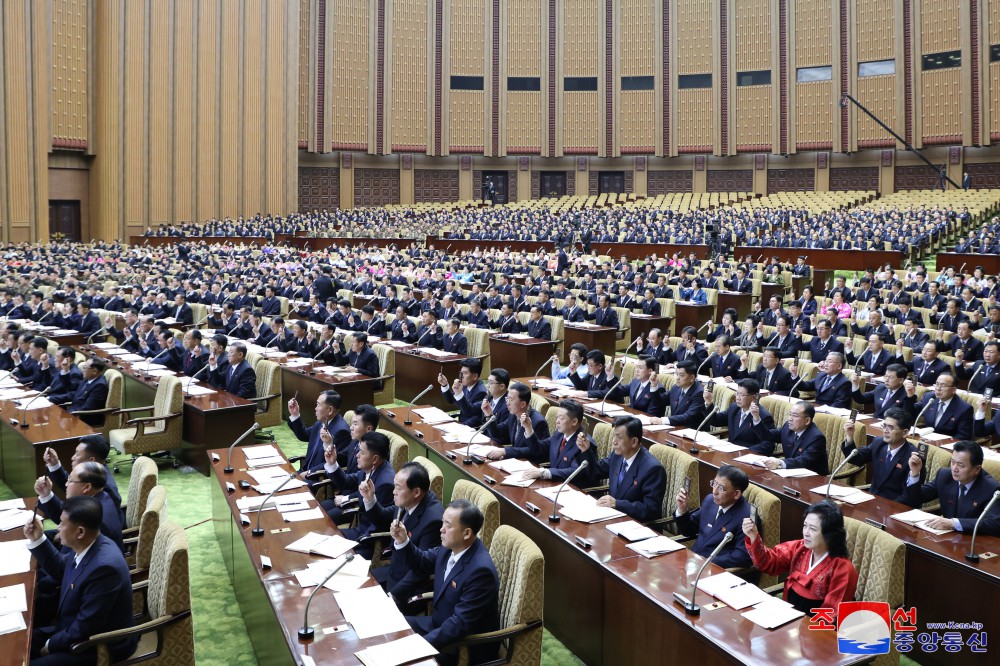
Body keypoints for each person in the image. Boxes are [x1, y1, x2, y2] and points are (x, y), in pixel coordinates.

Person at [24, 496, 137, 665]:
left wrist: (49, 646)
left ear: (80, 532)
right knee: (20, 644)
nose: (58, 528)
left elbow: (85, 627)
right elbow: (61, 568)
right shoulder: (89, 544)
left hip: (98, 645)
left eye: (62, 523)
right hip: (72, 628)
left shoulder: (104, 569)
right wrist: (37, 538)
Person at [389, 500, 501, 665]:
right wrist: (404, 540)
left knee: (400, 658)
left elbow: (459, 625)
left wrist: (417, 645)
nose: (441, 529)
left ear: (467, 533)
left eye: (448, 526)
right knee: (389, 625)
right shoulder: (450, 547)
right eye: (442, 522)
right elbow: (422, 561)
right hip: (438, 625)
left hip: (462, 646)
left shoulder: (480, 571)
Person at [742, 501, 859, 615]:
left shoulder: (843, 568)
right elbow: (769, 563)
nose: (806, 533)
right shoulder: (800, 548)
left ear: (830, 533)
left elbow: (831, 614)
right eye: (805, 526)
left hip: (814, 628)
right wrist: (754, 537)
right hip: (788, 615)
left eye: (813, 529)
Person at [364, 462, 444, 604]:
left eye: (398, 488)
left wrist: (392, 596)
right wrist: (370, 499)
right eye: (394, 486)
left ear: (416, 492)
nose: (393, 491)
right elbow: (383, 518)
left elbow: (421, 570)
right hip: (394, 569)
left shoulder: (433, 520)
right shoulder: (409, 500)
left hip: (409, 589)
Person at [578, 416, 667, 522]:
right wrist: (586, 451)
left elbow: (651, 510)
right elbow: (595, 472)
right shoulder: (617, 455)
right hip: (612, 518)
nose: (614, 442)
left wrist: (617, 504)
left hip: (635, 526)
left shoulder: (653, 469)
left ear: (633, 442)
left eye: (619, 438)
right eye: (614, 436)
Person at [321, 431, 395, 555]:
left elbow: (379, 523)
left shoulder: (385, 483)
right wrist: (332, 463)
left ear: (375, 458)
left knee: (327, 547)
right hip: (361, 532)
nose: (357, 455)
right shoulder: (372, 469)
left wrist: (349, 543)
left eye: (361, 452)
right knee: (323, 536)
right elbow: (346, 482)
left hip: (370, 541)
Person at [904, 441, 1000, 535]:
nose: (954, 469)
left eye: (960, 465)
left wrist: (954, 524)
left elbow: (994, 523)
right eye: (952, 462)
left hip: (973, 541)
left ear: (977, 469)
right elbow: (915, 499)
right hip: (946, 537)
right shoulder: (945, 476)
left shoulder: (992, 488)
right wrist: (915, 474)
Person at [484, 399, 592, 482]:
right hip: (553, 485)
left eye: (561, 418)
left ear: (574, 422)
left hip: (572, 491)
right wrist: (529, 429)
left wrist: (544, 472)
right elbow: (538, 449)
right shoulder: (559, 435)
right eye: (557, 417)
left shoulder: (583, 443)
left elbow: (575, 471)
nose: (557, 422)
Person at [675, 465, 754, 570]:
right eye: (714, 484)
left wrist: (708, 560)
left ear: (736, 494)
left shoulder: (746, 517)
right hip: (692, 563)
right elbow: (688, 530)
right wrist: (682, 510)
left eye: (721, 488)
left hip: (714, 570)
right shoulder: (710, 501)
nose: (714, 491)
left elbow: (742, 556)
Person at [34, 461, 124, 552]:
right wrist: (45, 494)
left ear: (86, 487)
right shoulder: (101, 496)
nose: (66, 484)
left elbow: (66, 560)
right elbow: (68, 516)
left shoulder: (93, 518)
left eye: (70, 480)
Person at [842, 408, 919, 504]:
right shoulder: (879, 443)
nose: (886, 431)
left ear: (905, 433)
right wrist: (849, 437)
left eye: (890, 427)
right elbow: (856, 458)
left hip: (894, 507)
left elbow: (910, 496)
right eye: (884, 426)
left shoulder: (913, 457)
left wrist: (888, 508)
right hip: (871, 501)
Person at [43, 435, 122, 509]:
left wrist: (46, 495)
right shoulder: (98, 472)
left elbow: (74, 518)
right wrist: (54, 464)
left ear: (91, 460)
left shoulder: (103, 488)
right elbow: (73, 486)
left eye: (77, 454)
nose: (72, 457)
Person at [751, 401, 829, 475]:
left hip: (813, 479)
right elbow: (767, 435)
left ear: (807, 420)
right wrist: (756, 418)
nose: (790, 419)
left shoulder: (816, 438)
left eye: (794, 416)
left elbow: (804, 461)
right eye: (790, 414)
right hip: (790, 474)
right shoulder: (788, 428)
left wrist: (779, 463)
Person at [286, 390, 351, 476]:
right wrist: (295, 414)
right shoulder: (322, 422)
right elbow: (304, 435)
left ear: (330, 410)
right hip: (304, 471)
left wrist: (308, 473)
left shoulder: (341, 431)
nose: (315, 408)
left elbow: (332, 462)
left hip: (317, 478)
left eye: (318, 404)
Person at [703, 379, 774, 449]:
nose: (738, 398)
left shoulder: (763, 416)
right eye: (737, 393)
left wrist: (746, 452)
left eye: (742, 395)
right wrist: (709, 403)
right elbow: (715, 421)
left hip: (747, 457)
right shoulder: (734, 408)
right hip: (729, 452)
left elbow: (768, 445)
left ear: (753, 397)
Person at [484, 381, 548, 448]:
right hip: (516, 457)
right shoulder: (513, 415)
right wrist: (489, 415)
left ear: (523, 404)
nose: (507, 403)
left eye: (511, 399)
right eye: (507, 398)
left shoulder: (538, 422)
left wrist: (506, 452)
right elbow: (497, 434)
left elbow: (535, 451)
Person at [914, 373, 973, 440]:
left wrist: (940, 443)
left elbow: (963, 436)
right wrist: (910, 397)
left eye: (943, 386)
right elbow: (912, 413)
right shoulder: (929, 397)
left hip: (946, 446)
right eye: (937, 384)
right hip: (926, 440)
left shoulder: (964, 408)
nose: (938, 388)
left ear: (954, 390)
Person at [850, 363, 916, 419]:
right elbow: (860, 399)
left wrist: (910, 398)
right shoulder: (880, 388)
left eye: (890, 377)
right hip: (875, 423)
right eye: (886, 376)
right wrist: (855, 385)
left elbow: (907, 417)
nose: (886, 380)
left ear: (901, 380)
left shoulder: (906, 395)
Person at [439, 358, 487, 428]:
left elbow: (475, 416)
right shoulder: (465, 386)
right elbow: (452, 400)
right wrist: (445, 385)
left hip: (470, 428)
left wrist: (459, 426)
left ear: (475, 376)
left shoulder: (481, 392)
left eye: (465, 373)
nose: (461, 376)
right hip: (461, 423)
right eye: (461, 373)